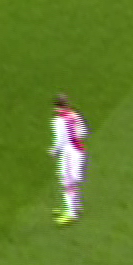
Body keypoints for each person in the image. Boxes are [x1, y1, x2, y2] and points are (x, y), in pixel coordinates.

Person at [50, 95, 88, 225]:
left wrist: (54, 151)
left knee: (67, 182)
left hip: (69, 153)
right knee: (72, 181)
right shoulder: (74, 114)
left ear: (56, 106)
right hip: (80, 151)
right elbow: (84, 132)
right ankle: (76, 207)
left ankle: (72, 214)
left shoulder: (58, 120)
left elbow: (60, 140)